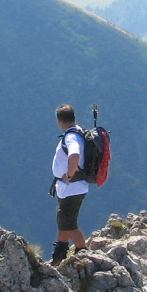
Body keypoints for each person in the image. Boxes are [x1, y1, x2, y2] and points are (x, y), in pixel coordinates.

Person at [50, 104, 88, 262]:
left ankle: (83, 255)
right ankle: (60, 252)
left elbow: (74, 155)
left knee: (70, 224)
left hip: (72, 188)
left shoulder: (71, 137)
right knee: (63, 220)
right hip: (71, 188)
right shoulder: (79, 131)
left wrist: (70, 175)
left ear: (59, 121)